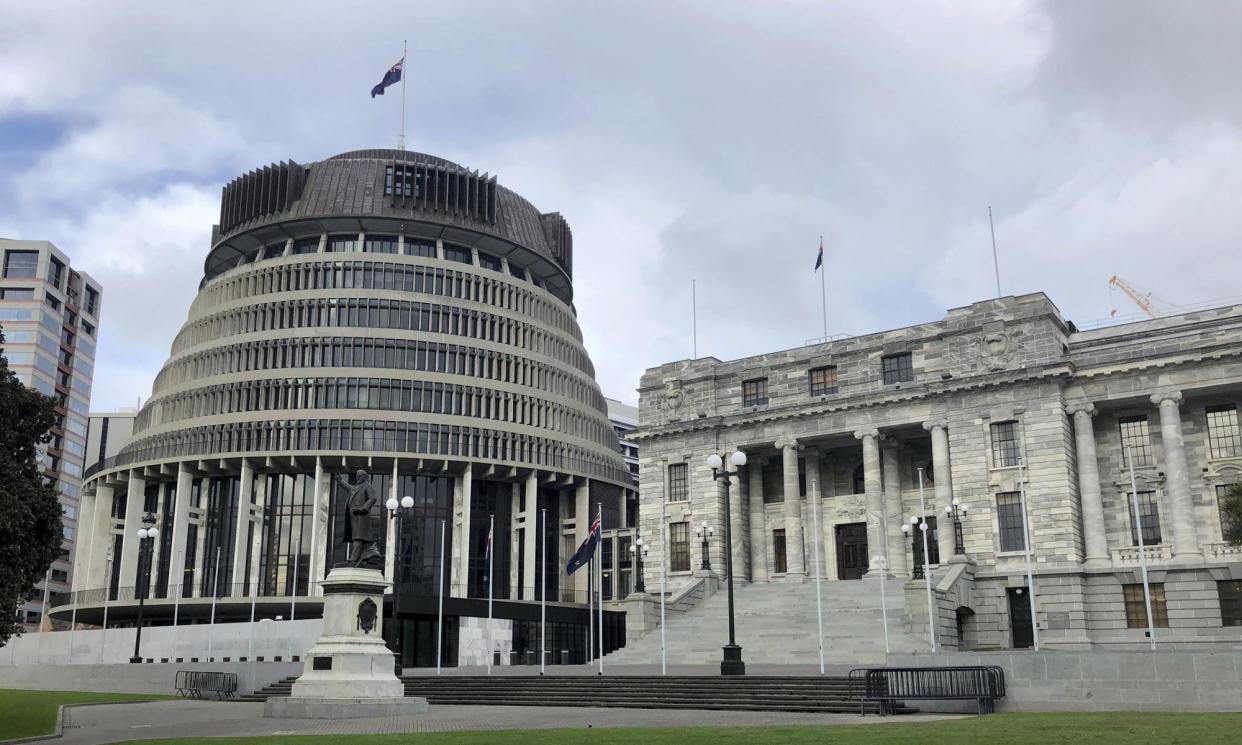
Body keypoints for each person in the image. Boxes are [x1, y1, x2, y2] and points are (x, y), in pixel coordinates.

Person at [336, 470, 381, 567]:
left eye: (360, 476)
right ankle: (370, 555)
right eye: (357, 476)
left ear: (365, 477)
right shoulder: (356, 487)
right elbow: (349, 488)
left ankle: (354, 558)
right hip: (354, 517)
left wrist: (363, 508)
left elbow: (372, 498)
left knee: (358, 537)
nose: (358, 477)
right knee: (358, 537)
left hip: (362, 516)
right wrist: (340, 481)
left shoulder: (367, 486)